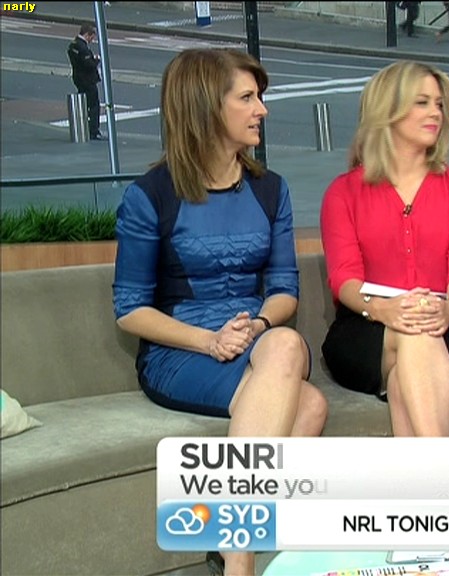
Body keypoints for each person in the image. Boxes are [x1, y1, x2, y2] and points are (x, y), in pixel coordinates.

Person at [112, 49, 327, 576]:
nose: (262, 110)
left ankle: (233, 556)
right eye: (248, 98)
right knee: (310, 405)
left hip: (256, 340)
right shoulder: (151, 196)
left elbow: (284, 290)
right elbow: (129, 310)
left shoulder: (270, 189)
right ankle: (240, 560)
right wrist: (208, 340)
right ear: (208, 106)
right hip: (180, 351)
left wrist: (257, 324)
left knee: (284, 342)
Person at [320, 61, 449, 438]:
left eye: (439, 104)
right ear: (387, 111)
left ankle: (429, 471)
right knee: (414, 333)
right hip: (365, 325)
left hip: (448, 325)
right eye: (422, 103)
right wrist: (383, 309)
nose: (435, 113)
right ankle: (442, 467)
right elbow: (343, 277)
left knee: (407, 369)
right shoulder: (344, 193)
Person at [67, 23, 104, 141]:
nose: (92, 40)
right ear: (87, 35)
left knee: (83, 103)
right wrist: (96, 60)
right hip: (88, 79)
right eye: (92, 37)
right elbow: (89, 65)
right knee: (93, 105)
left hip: (78, 78)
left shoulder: (73, 45)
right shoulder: (83, 47)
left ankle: (83, 127)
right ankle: (94, 131)